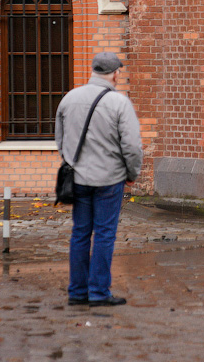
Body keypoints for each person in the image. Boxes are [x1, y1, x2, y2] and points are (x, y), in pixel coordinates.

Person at [55, 52, 143, 307]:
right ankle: (99, 293)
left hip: (78, 179)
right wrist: (131, 174)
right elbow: (132, 147)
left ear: (93, 71)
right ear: (115, 73)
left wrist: (72, 163)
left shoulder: (69, 98)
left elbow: (60, 140)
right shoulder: (119, 102)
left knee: (80, 233)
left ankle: (77, 292)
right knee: (104, 234)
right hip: (109, 179)